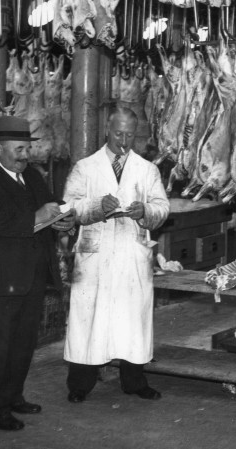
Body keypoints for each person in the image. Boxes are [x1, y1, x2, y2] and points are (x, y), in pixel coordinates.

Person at [63, 107, 169, 403]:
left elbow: (162, 208)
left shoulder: (147, 170)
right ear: (107, 131)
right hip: (94, 257)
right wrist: (97, 206)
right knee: (88, 320)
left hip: (130, 255)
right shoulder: (85, 167)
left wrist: (145, 211)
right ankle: (80, 385)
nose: (123, 139)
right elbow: (69, 208)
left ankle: (134, 382)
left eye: (129, 134)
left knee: (131, 321)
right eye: (118, 133)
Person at [0, 116, 75, 431]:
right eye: (19, 149)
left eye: (27, 148)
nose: (25, 155)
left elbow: (52, 206)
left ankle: (14, 396)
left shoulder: (33, 176)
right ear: (0, 148)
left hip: (33, 275)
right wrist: (37, 216)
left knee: (23, 343)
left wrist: (64, 218)